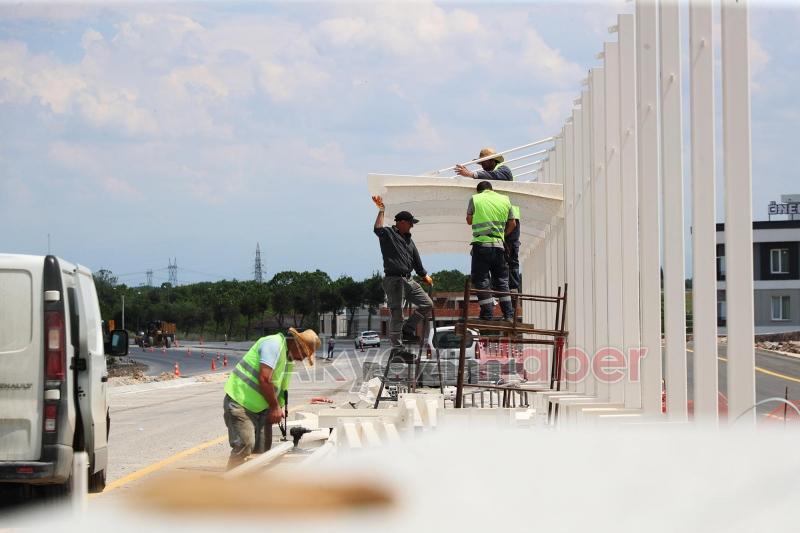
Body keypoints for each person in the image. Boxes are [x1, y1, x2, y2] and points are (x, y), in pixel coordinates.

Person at [222, 327, 320, 469]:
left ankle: (253, 486)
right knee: (245, 444)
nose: (302, 358)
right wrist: (274, 407)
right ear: (296, 343)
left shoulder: (288, 360)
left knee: (262, 453)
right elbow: (264, 379)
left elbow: (280, 388)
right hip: (240, 402)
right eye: (304, 354)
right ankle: (228, 485)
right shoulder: (273, 344)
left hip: (261, 408)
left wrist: (279, 406)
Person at [372, 195, 433, 346]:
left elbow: (416, 260)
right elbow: (377, 229)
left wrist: (424, 275)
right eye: (410, 223)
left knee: (427, 304)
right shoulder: (388, 234)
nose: (412, 226)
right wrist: (381, 210)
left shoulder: (409, 240)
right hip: (394, 280)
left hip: (408, 279)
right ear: (402, 223)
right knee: (397, 313)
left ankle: (408, 329)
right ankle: (397, 347)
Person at [466, 181, 517, 321]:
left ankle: (487, 314)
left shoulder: (475, 199)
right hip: (499, 246)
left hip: (481, 245)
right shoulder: (505, 199)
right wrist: (502, 236)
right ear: (491, 189)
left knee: (481, 280)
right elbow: (513, 223)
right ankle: (509, 315)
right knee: (502, 281)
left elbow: (469, 220)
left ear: (479, 191)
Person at [506, 204, 522, 292]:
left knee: (511, 263)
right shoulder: (514, 208)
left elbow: (512, 224)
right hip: (512, 241)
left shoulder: (510, 209)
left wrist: (504, 236)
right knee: (512, 263)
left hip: (510, 240)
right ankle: (512, 286)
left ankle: (513, 286)